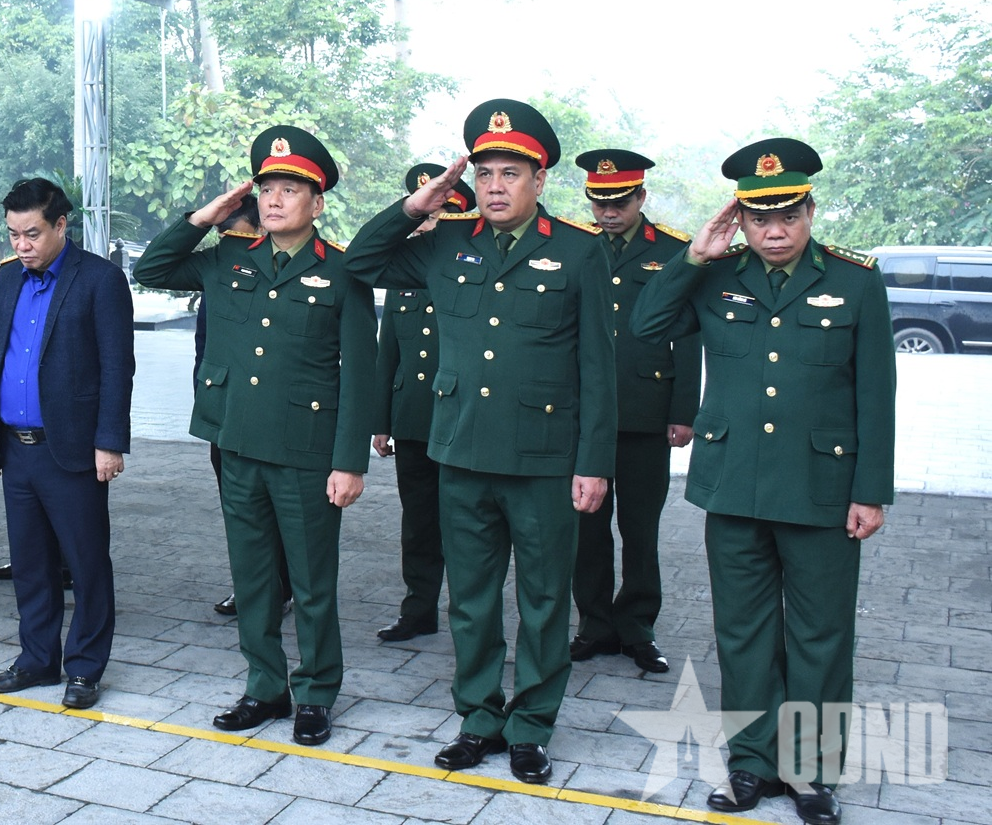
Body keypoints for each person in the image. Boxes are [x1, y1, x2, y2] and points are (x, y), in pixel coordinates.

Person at [345, 100, 616, 785]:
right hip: (460, 453)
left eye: (511, 173)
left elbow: (599, 369)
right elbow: (360, 261)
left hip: (544, 460)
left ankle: (530, 726)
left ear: (539, 180)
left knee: (545, 600)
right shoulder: (444, 242)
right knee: (470, 597)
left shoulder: (579, 250)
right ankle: (477, 718)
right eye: (486, 172)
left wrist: (594, 464)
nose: (496, 185)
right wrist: (417, 205)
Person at [632, 138, 893, 825]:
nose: (774, 231)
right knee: (743, 634)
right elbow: (644, 325)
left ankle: (810, 773)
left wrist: (871, 490)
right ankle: (750, 763)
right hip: (735, 486)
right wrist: (694, 255)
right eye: (759, 218)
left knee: (820, 635)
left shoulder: (856, 280)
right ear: (740, 220)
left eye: (787, 216)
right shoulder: (718, 276)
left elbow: (877, 394)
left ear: (810, 212)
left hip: (822, 488)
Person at [134, 126, 377, 749]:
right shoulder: (226, 259)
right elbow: (152, 267)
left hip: (306, 452)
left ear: (316, 203)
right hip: (237, 444)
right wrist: (207, 214)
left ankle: (317, 692)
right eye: (267, 188)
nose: (274, 199)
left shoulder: (344, 271)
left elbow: (360, 375)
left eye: (290, 189)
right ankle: (265, 685)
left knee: (312, 583)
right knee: (251, 579)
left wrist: (349, 463)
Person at [0, 177, 133, 709]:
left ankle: (85, 668)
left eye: (33, 233)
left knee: (86, 564)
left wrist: (109, 442)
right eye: (14, 234)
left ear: (61, 225)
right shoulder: (6, 281)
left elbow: (117, 368)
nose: (22, 245)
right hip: (16, 450)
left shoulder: (100, 280)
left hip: (74, 450)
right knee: (31, 562)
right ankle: (37, 659)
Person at [569, 149, 701, 674]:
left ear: (641, 197)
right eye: (599, 202)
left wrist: (683, 409)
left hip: (647, 411)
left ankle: (638, 628)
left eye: (619, 201)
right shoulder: (576, 248)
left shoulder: (671, 251)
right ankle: (594, 625)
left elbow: (690, 337)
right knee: (587, 529)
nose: (608, 211)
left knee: (640, 531)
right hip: (583, 416)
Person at [372, 164, 475, 643]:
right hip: (413, 419)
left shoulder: (470, 276)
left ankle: (468, 613)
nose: (427, 228)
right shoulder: (403, 280)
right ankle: (418, 610)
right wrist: (380, 422)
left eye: (439, 218)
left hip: (462, 422)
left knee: (464, 524)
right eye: (422, 220)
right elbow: (387, 353)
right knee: (418, 525)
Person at [198, 195, 274, 617]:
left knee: (275, 513)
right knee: (238, 510)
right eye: (218, 233)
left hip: (271, 417)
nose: (225, 241)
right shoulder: (219, 269)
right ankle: (249, 585)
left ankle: (277, 589)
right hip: (223, 413)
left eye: (235, 233)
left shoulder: (278, 274)